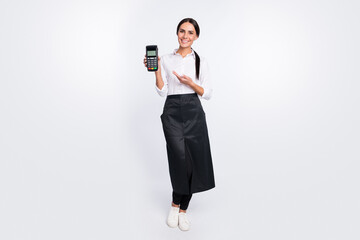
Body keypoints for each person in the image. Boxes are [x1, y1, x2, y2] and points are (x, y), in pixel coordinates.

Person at [143, 18, 215, 231]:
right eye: (182, 31)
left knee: (193, 162)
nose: (185, 36)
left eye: (190, 33)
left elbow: (208, 93)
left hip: (194, 112)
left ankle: (182, 210)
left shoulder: (200, 61)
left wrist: (191, 83)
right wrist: (155, 70)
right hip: (173, 111)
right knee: (179, 160)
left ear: (196, 37)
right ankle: (175, 205)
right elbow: (162, 91)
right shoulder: (165, 58)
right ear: (177, 34)